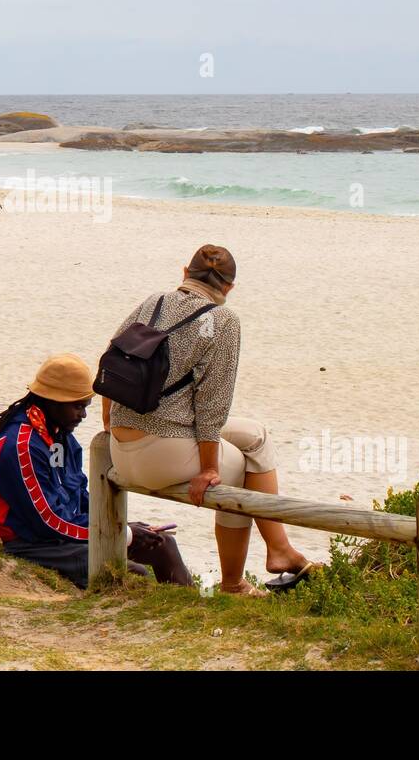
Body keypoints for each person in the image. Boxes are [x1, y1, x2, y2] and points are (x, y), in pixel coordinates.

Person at [103, 245, 316, 596]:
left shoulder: (154, 301)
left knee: (256, 437)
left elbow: (111, 356)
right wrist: (208, 469)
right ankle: (233, 584)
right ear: (229, 288)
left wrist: (110, 420)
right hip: (160, 457)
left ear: (185, 272)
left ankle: (279, 549)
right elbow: (213, 405)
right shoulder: (224, 321)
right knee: (240, 471)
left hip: (123, 448)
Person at [0, 353, 191, 590]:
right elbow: (48, 522)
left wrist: (122, 525)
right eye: (78, 406)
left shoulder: (61, 438)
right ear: (52, 401)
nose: (83, 415)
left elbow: (80, 497)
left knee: (164, 544)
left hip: (66, 536)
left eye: (85, 406)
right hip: (34, 544)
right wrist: (121, 534)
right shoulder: (20, 446)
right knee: (133, 571)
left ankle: (193, 615)